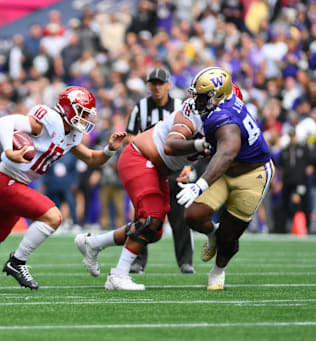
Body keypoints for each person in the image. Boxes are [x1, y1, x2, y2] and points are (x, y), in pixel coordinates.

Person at [0, 86, 127, 292]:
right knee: (53, 216)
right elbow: (5, 121)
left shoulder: (71, 134)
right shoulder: (49, 119)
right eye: (83, 114)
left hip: (13, 184)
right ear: (69, 109)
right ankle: (17, 263)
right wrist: (8, 150)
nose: (85, 120)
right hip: (5, 180)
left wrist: (110, 149)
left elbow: (92, 158)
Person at [75, 89, 212, 290]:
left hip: (159, 168)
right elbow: (171, 146)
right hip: (140, 158)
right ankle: (118, 276)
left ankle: (93, 244)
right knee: (150, 219)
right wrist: (201, 145)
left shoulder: (218, 124)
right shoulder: (190, 112)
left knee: (153, 230)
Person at [177, 67, 273, 290]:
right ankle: (212, 233)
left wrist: (199, 185)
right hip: (225, 171)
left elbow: (227, 152)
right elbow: (213, 147)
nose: (196, 102)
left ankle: (218, 270)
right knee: (193, 215)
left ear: (218, 95)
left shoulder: (224, 117)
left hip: (252, 175)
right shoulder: (223, 102)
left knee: (229, 238)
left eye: (202, 97)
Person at [124, 68, 195, 274]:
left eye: (160, 83)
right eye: (152, 83)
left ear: (168, 85)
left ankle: (185, 261)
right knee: (143, 215)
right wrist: (145, 145)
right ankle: (138, 260)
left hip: (174, 167)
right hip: (149, 167)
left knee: (180, 216)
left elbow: (190, 137)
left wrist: (189, 165)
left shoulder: (180, 107)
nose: (156, 87)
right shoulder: (140, 107)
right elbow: (129, 136)